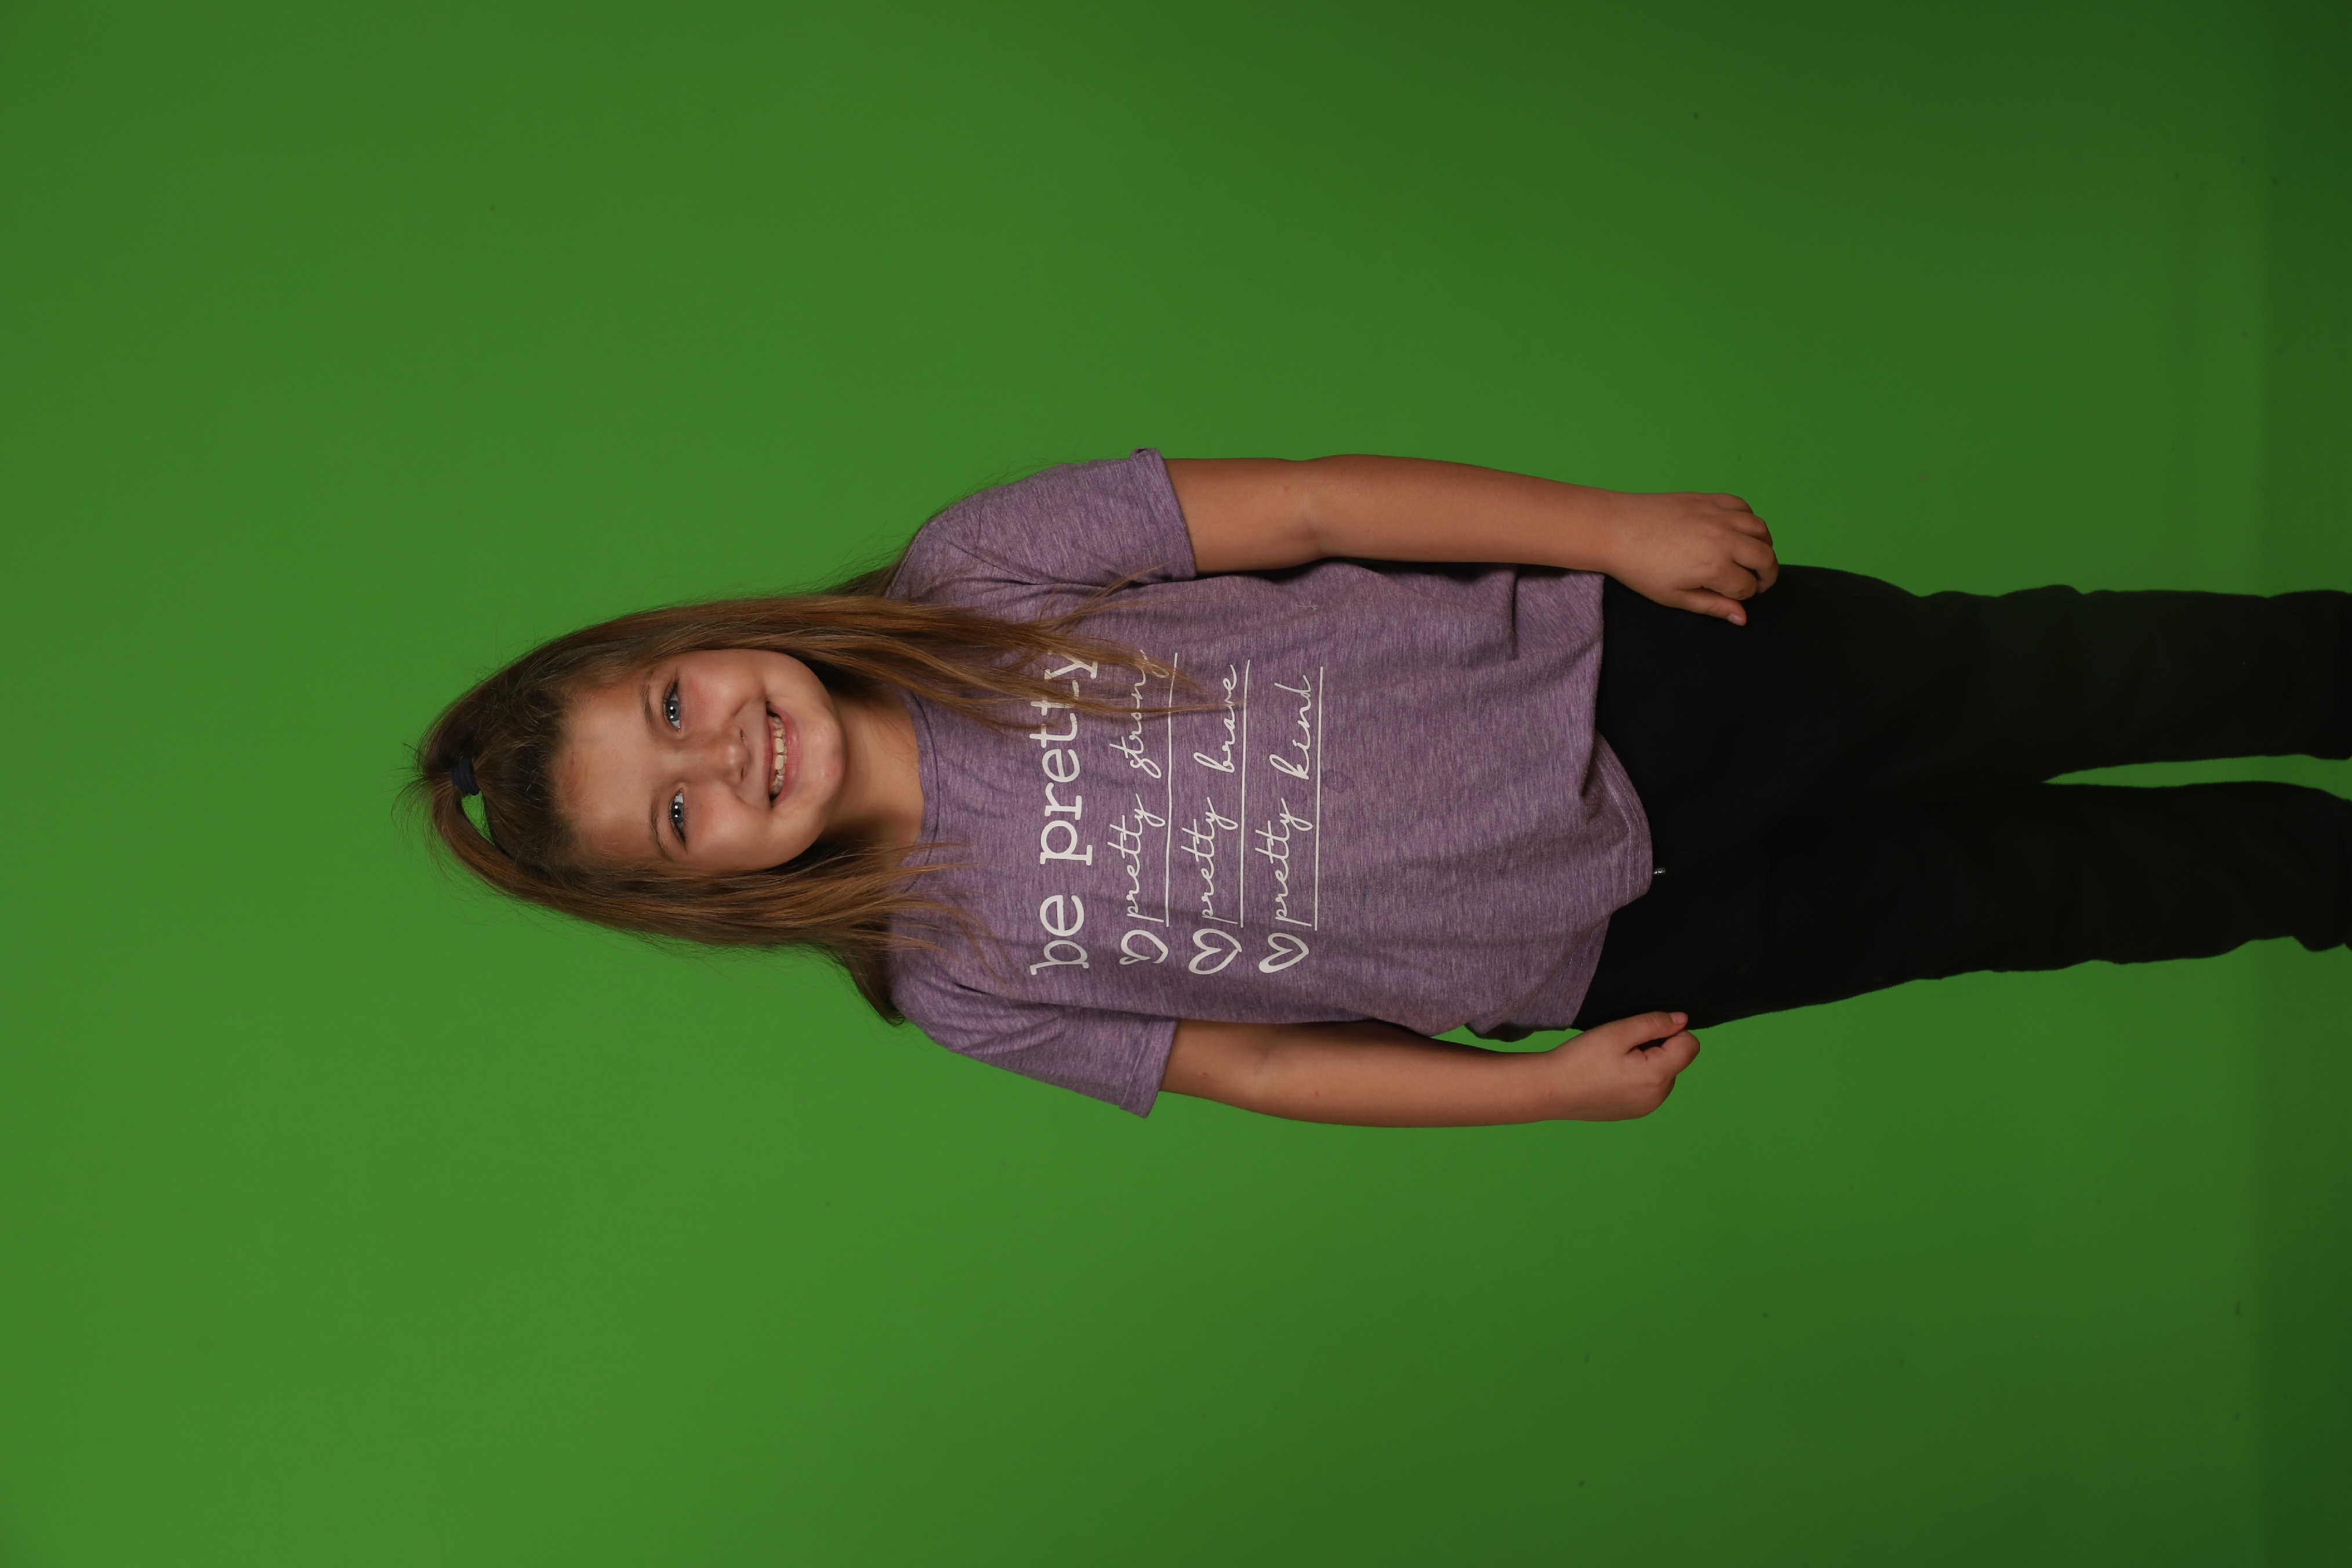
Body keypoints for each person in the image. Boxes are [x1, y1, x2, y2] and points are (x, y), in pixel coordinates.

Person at [413, 451, 2352, 1126]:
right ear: (701, 888)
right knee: (2032, 898)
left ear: (699, 641)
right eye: (681, 810)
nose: (725, 755)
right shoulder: (959, 977)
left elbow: (1317, 508)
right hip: (1604, 946)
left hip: (1640, 681)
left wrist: (1610, 529)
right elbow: (1264, 1063)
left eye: (674, 704)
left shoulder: (979, 572)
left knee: (2061, 677)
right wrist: (1534, 1093)